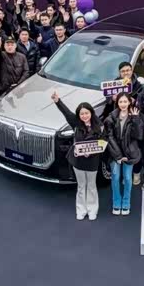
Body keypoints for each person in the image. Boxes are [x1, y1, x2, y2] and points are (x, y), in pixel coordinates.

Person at [52, 90, 105, 220]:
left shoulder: (99, 126)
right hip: (78, 162)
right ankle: (81, 210)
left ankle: (92, 210)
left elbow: (103, 143)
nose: (84, 116)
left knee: (91, 186)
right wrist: (58, 101)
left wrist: (91, 152)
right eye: (82, 114)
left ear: (91, 113)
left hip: (92, 161)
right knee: (81, 186)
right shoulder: (75, 123)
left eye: (87, 113)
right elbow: (66, 112)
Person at [104, 92, 143, 216]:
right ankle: (116, 202)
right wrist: (118, 156)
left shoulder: (134, 116)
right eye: (121, 101)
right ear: (117, 103)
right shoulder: (111, 117)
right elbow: (109, 137)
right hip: (115, 153)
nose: (123, 104)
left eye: (125, 101)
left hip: (129, 152)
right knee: (115, 177)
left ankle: (126, 203)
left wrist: (136, 119)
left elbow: (139, 136)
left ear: (129, 102)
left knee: (127, 178)